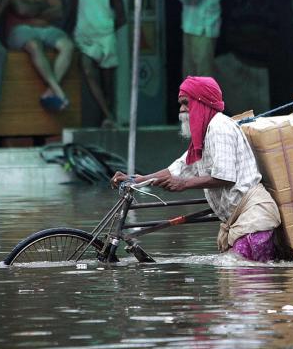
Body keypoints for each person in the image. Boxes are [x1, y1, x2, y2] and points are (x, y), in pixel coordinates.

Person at [110, 76, 281, 262]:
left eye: (186, 103)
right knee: (234, 281)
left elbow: (225, 177)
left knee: (245, 283)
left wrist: (183, 184)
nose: (181, 110)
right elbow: (176, 170)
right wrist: (137, 180)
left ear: (202, 102)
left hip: (253, 221)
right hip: (240, 223)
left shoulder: (219, 128)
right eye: (180, 104)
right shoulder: (203, 136)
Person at [5, 0, 75, 111]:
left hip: (45, 28)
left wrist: (33, 10)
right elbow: (21, 10)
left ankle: (50, 91)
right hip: (19, 29)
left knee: (68, 46)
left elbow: (58, 12)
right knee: (35, 44)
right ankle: (58, 91)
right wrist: (44, 5)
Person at [68, 0, 127, 127]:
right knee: (87, 69)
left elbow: (122, 17)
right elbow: (73, 11)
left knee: (106, 85)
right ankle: (109, 115)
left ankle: (106, 119)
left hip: (106, 40)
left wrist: (106, 29)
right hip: (83, 39)